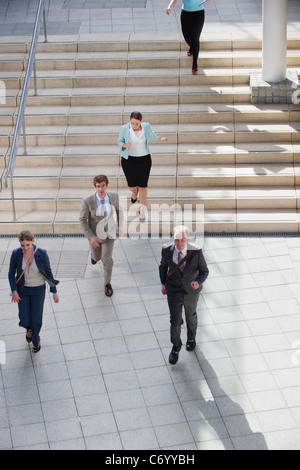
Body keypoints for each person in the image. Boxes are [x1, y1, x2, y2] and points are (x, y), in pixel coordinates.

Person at [159, 225, 209, 365]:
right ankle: (176, 347)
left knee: (190, 315)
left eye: (182, 239)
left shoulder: (196, 252)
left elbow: (204, 271)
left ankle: (191, 338)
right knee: (175, 321)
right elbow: (163, 267)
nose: (179, 243)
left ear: (187, 238)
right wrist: (163, 284)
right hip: (174, 291)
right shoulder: (166, 250)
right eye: (176, 239)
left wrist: (198, 282)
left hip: (191, 291)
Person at [8, 230, 59, 353]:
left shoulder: (41, 254)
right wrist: (14, 291)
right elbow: (10, 273)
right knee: (24, 318)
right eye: (22, 245)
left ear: (33, 241)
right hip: (22, 290)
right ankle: (28, 329)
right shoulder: (16, 254)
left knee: (36, 318)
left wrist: (54, 292)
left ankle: (36, 340)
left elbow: (48, 273)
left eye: (27, 245)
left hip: (38, 289)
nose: (25, 248)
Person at [117, 111, 168, 222]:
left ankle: (142, 211)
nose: (135, 126)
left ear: (141, 121)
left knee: (143, 186)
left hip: (144, 160)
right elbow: (119, 141)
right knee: (132, 186)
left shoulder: (146, 127)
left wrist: (160, 139)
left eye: (137, 123)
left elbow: (152, 135)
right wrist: (124, 145)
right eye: (133, 123)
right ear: (130, 121)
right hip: (128, 160)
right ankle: (134, 193)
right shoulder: (124, 128)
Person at [79, 174, 124, 297]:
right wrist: (91, 237)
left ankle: (107, 284)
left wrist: (120, 225)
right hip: (95, 236)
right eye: (98, 186)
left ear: (107, 186)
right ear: (95, 187)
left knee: (107, 260)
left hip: (110, 234)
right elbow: (82, 220)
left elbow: (120, 210)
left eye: (103, 186)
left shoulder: (114, 197)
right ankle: (94, 256)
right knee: (97, 256)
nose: (101, 189)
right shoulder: (87, 202)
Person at [166, 0, 213, 74]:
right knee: (186, 36)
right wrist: (169, 6)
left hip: (198, 13)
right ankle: (192, 47)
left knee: (195, 37)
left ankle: (195, 63)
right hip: (185, 13)